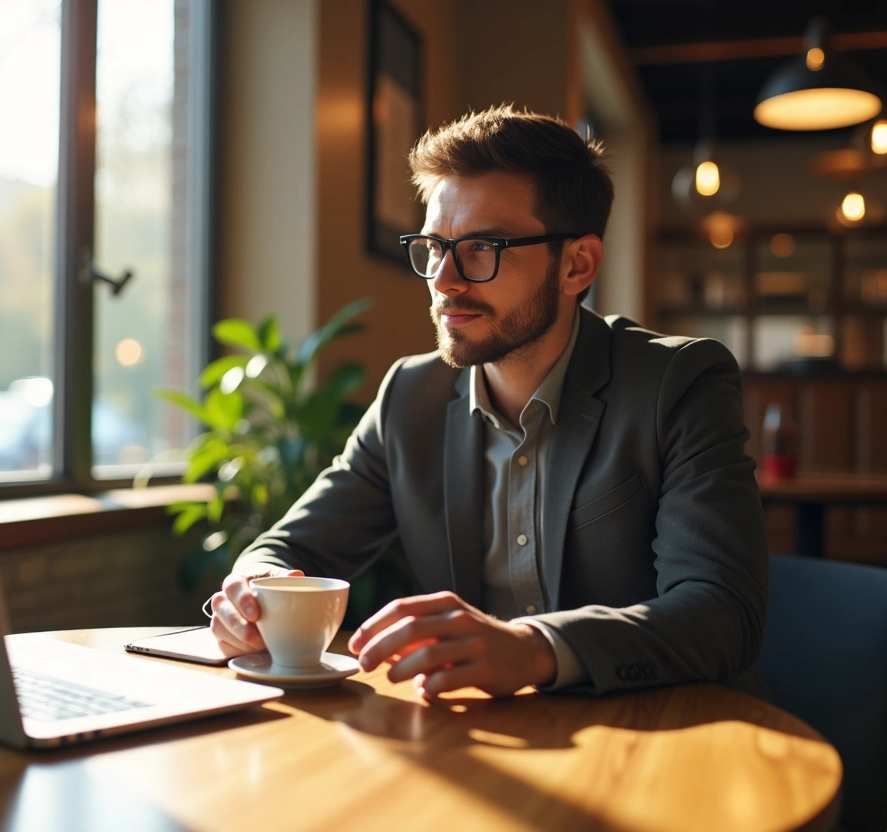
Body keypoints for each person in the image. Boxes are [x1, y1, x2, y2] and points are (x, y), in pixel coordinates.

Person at [206, 104, 768, 700]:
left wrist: (535, 648)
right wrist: (254, 585)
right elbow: (291, 546)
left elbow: (722, 612)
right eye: (433, 246)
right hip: (485, 738)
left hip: (663, 736)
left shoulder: (675, 383)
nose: (445, 279)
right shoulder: (409, 397)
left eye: (483, 247)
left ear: (577, 264)